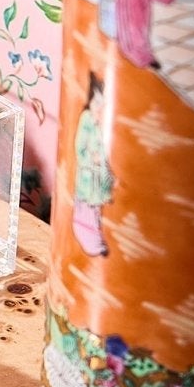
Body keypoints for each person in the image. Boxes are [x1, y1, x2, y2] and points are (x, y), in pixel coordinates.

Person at [71, 73, 113, 258]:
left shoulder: (99, 123)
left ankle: (96, 241)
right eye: (96, 102)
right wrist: (91, 158)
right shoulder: (86, 119)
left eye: (101, 104)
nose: (99, 107)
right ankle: (90, 242)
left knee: (95, 211)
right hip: (87, 175)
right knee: (85, 209)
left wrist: (102, 163)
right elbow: (79, 148)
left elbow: (104, 149)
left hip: (97, 174)